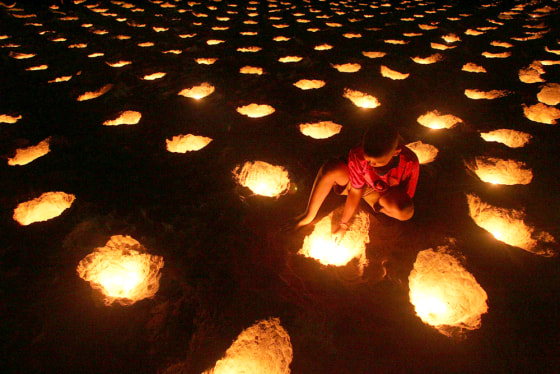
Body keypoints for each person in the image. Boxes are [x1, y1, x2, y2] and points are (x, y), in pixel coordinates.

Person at [295, 123, 419, 243]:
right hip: (359, 184)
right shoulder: (358, 154)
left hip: (383, 194)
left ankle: (375, 207)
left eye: (377, 162)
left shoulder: (409, 162)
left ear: (396, 152)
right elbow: (356, 190)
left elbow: (405, 196)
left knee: (405, 212)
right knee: (331, 168)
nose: (370, 164)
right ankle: (308, 215)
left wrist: (388, 199)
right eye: (368, 159)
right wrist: (343, 224)